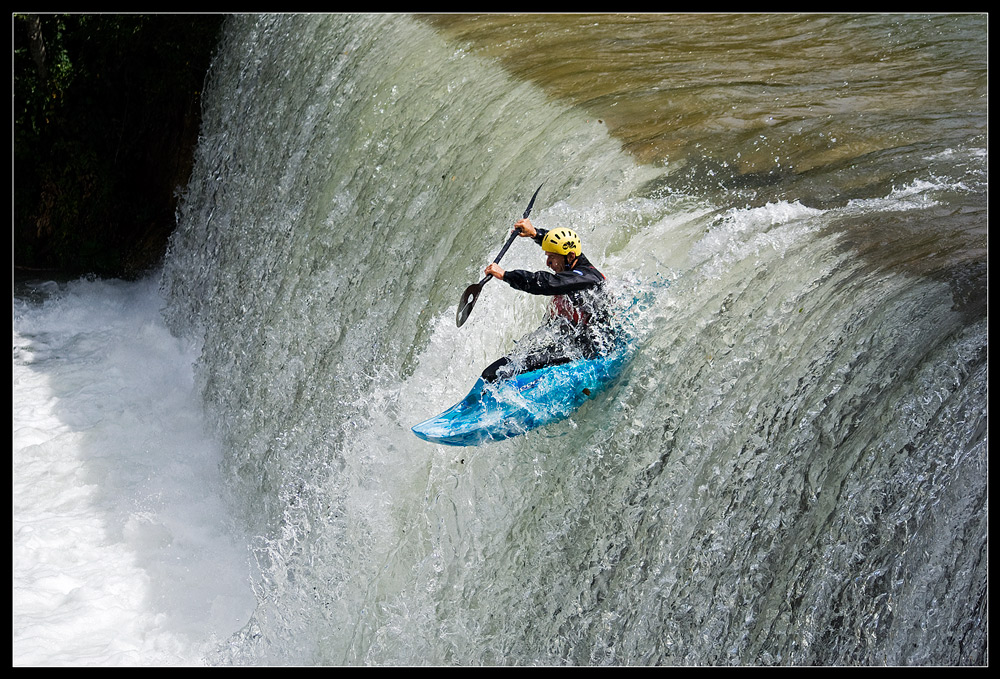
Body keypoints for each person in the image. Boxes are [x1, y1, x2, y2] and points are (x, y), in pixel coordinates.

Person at [480, 217, 616, 383]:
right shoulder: (574, 261)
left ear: (570, 256)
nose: (548, 262)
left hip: (589, 347)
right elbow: (560, 246)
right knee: (497, 369)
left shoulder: (587, 278)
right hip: (572, 341)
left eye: (552, 257)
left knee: (498, 372)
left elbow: (547, 283)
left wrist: (506, 275)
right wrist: (535, 233)